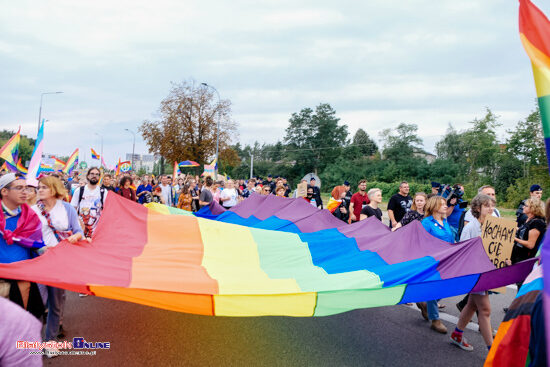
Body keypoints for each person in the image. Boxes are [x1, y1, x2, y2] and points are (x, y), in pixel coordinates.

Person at [32, 176, 84, 343]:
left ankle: (50, 341)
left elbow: (78, 231)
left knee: (55, 302)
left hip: (60, 261)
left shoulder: (67, 208)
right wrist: (39, 248)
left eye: (44, 187)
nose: (39, 190)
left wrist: (76, 237)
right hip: (39, 260)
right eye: (38, 187)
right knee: (39, 302)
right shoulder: (32, 211)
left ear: (54, 190)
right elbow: (26, 236)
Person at [451, 194, 500, 352]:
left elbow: (497, 251)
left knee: (472, 305)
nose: (491, 209)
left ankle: (457, 334)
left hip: (488, 272)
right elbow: (463, 252)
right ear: (478, 208)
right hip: (475, 274)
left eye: (492, 205)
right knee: (485, 310)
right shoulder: (470, 227)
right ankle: (491, 350)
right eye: (487, 206)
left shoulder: (493, 226)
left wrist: (503, 260)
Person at [0, 173, 44, 317]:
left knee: (24, 323)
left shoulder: (30, 216)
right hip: (2, 280)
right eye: (19, 188)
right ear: (4, 191)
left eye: (26, 188)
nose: (25, 192)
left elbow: (37, 245)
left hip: (23, 278)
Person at [416, 195, 455, 334]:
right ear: (434, 206)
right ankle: (435, 320)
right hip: (432, 261)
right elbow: (422, 242)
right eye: (442, 204)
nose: (446, 206)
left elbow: (450, 239)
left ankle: (425, 302)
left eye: (445, 204)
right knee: (435, 287)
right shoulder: (426, 223)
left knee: (448, 285)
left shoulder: (445, 221)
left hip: (447, 259)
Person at [70, 167, 107, 239]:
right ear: (88, 176)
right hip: (81, 229)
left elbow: (108, 210)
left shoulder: (103, 191)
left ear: (99, 177)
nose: (94, 176)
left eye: (97, 174)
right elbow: (73, 209)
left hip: (98, 231)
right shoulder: (79, 190)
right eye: (92, 174)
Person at [511, 197, 546, 272]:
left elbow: (530, 245)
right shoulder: (529, 219)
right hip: (518, 256)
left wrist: (514, 238)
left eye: (526, 205)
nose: (523, 207)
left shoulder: (537, 223)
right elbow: (524, 232)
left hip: (525, 259)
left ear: (533, 208)